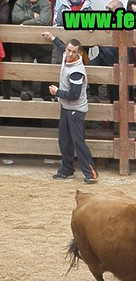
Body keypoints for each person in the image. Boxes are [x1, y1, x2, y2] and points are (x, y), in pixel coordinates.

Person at [41, 31, 99, 184]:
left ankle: (90, 172)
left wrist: (57, 92)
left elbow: (74, 94)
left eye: (74, 51)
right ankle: (67, 170)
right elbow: (61, 46)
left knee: (78, 141)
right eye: (69, 50)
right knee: (64, 140)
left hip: (76, 110)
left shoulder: (76, 72)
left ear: (78, 52)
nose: (70, 53)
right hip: (66, 107)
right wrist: (52, 37)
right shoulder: (66, 57)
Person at [11, 0, 52, 101]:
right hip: (26, 44)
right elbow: (15, 18)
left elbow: (44, 20)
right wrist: (31, 14)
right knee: (26, 69)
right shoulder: (20, 2)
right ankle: (27, 93)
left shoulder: (45, 3)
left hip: (44, 44)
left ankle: (46, 95)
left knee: (46, 71)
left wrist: (24, 24)